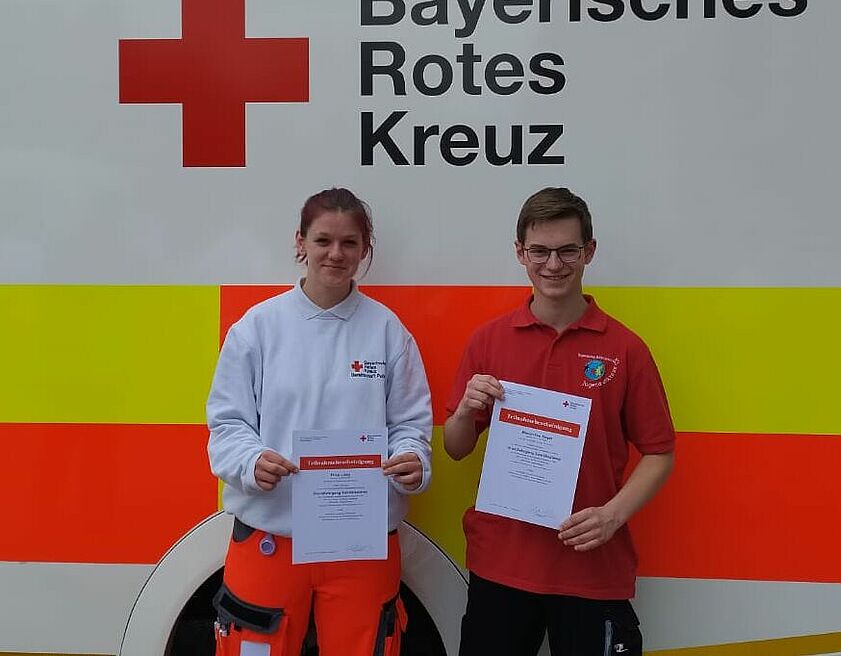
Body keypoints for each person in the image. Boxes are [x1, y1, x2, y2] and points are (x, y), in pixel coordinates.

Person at [444, 187, 675, 656]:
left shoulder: (625, 349)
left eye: (567, 250)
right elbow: (455, 446)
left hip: (591, 570)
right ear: (520, 253)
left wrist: (612, 516)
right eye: (540, 251)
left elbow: (659, 452)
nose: (553, 264)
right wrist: (465, 410)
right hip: (502, 567)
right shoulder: (489, 341)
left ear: (589, 251)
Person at [206, 187, 432, 656]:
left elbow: (410, 424)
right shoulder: (258, 328)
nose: (336, 254)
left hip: (361, 542)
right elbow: (227, 424)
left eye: (350, 243)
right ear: (300, 242)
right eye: (323, 240)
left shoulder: (388, 331)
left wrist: (411, 459)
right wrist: (251, 462)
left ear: (365, 250)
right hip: (271, 536)